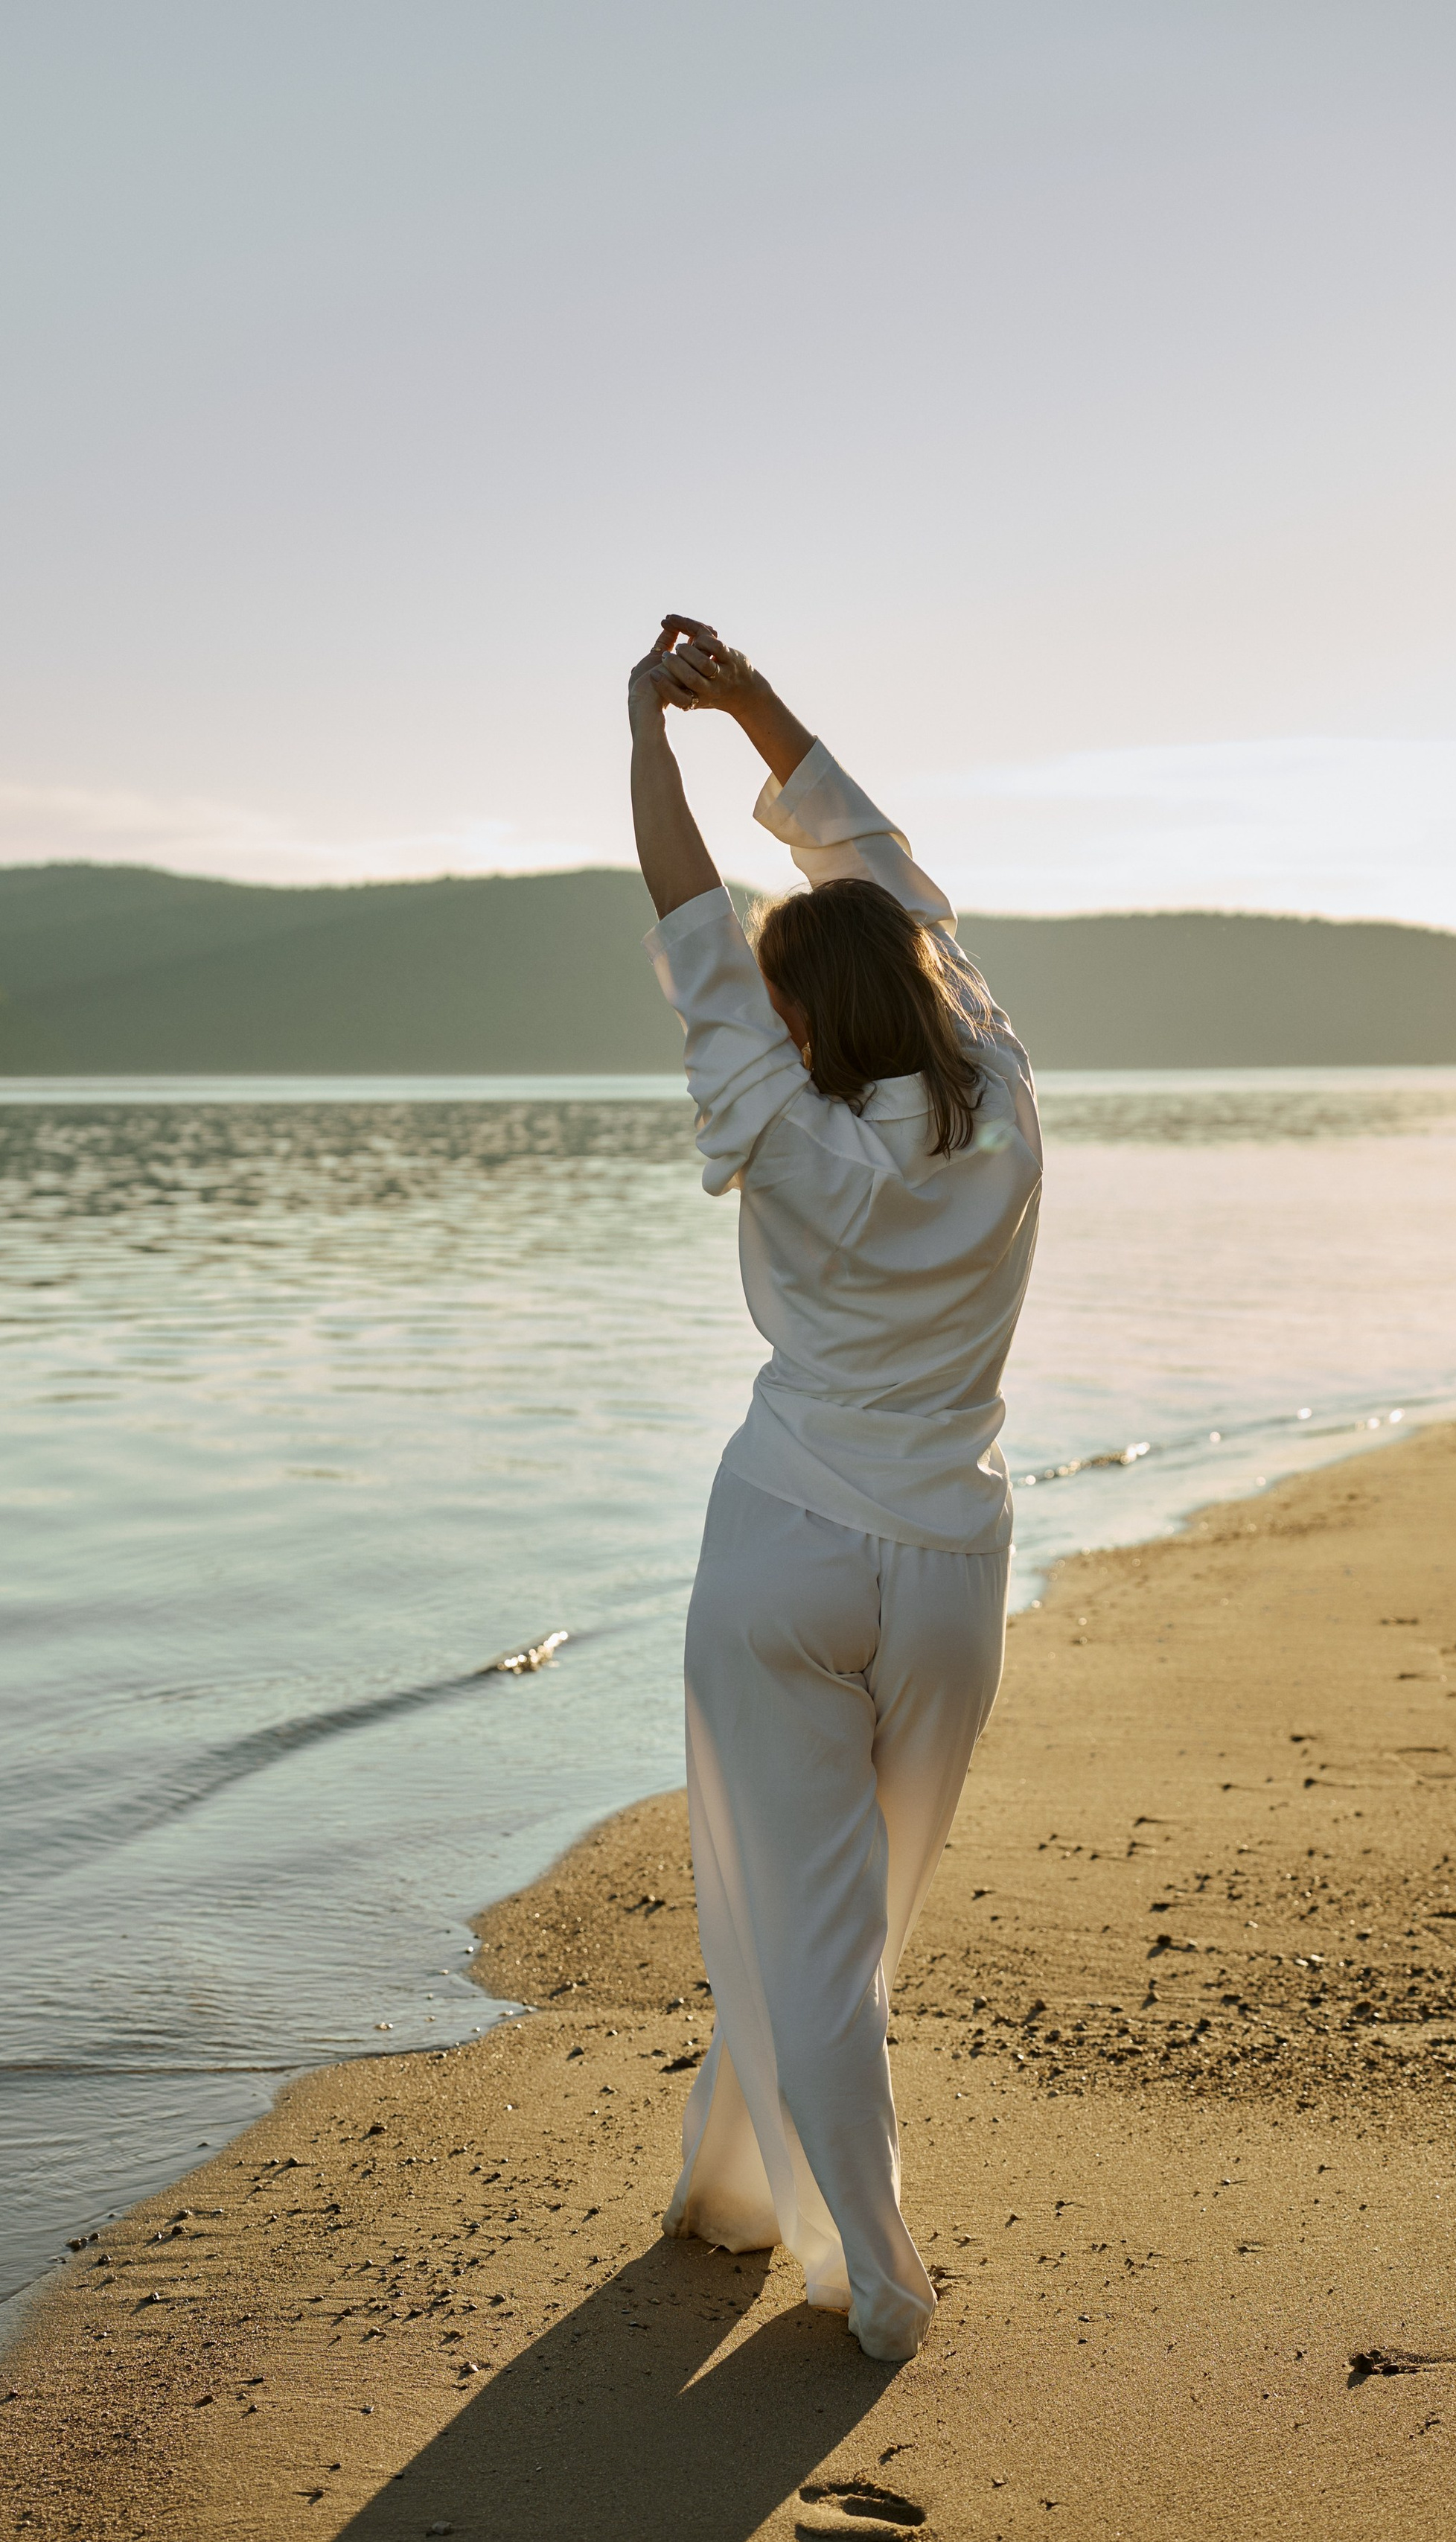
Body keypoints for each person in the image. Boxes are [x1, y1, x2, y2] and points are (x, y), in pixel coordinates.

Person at [628, 615, 1043, 2360]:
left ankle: (866, 2264)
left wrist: (648, 733)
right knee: (837, 1916)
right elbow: (880, 875)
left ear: (800, 1013)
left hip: (788, 1539)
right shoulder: (1004, 1097)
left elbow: (684, 929)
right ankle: (729, 2187)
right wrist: (755, 715)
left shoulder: (780, 1123)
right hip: (945, 1566)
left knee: (794, 1908)